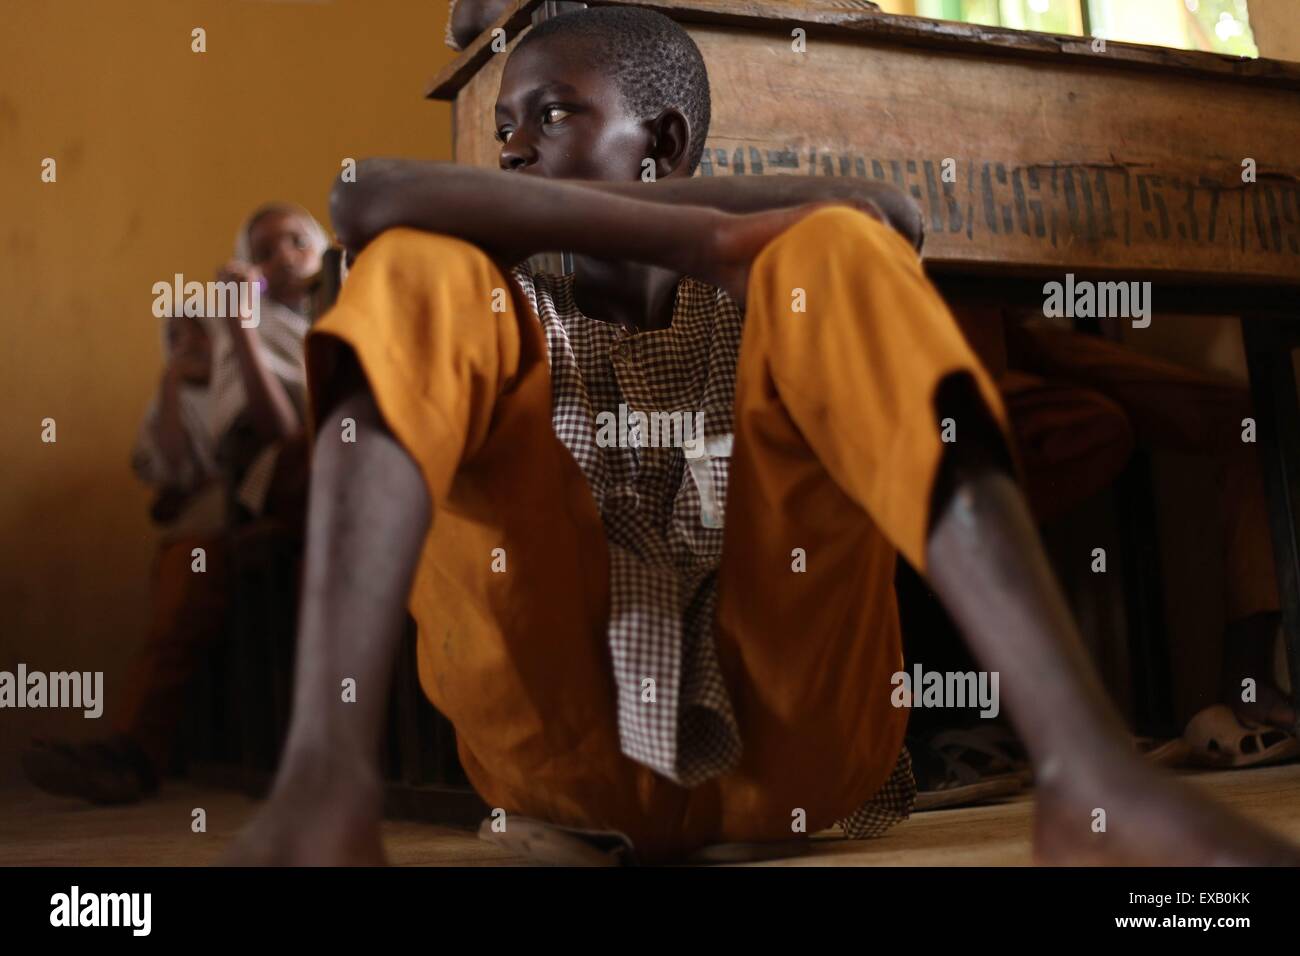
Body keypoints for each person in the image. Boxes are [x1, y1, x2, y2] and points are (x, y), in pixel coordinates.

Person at [222, 8, 1298, 865]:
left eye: (547, 116)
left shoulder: (771, 289)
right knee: (417, 268)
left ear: (667, 141)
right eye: (503, 127)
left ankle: (1088, 767)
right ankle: (325, 785)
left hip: (800, 757)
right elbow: (367, 191)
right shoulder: (500, 309)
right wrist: (714, 229)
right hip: (557, 763)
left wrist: (734, 243)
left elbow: (881, 215)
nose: (509, 151)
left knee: (835, 253)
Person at [21, 204, 327, 804]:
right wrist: (229, 333)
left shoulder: (347, 310)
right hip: (280, 494)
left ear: (325, 250)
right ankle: (133, 752)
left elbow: (295, 437)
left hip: (326, 480)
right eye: (265, 248)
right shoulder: (242, 332)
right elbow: (188, 481)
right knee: (192, 560)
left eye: (299, 240)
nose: (285, 255)